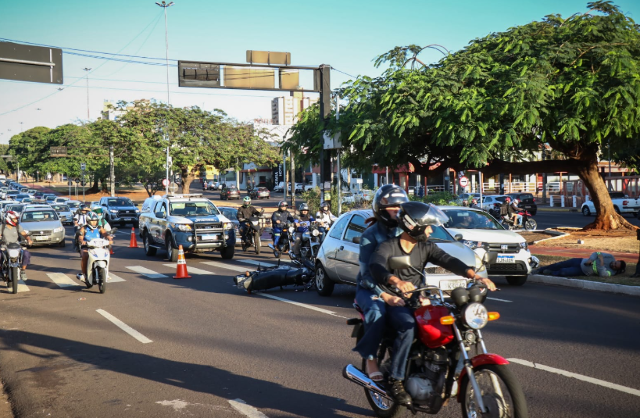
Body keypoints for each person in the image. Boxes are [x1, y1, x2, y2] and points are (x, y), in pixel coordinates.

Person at [369, 202, 496, 404]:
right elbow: (376, 267)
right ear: (414, 226)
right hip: (395, 301)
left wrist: (476, 277)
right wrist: (397, 282)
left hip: (420, 299)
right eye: (427, 226)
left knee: (454, 322)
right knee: (408, 327)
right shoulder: (388, 246)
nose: (431, 230)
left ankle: (443, 373)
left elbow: (448, 259)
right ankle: (396, 379)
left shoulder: (426, 246)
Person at [353, 184, 409, 384]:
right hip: (371, 288)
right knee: (378, 313)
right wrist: (384, 295)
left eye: (401, 206)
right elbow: (366, 274)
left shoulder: (406, 231)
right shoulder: (371, 235)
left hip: (399, 288)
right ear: (380, 208)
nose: (397, 210)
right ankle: (371, 360)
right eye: (393, 206)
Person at [76, 213, 110, 283]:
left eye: (95, 221)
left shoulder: (99, 228)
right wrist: (82, 241)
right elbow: (80, 237)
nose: (94, 222)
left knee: (106, 254)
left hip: (98, 247)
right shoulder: (84, 228)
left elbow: (105, 234)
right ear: (88, 221)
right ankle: (84, 274)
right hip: (87, 247)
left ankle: (106, 273)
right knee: (85, 255)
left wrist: (109, 238)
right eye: (92, 221)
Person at [537, 252, 626, 277]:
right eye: (615, 263)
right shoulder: (610, 257)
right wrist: (591, 259)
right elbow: (597, 253)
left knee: (564, 272)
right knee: (561, 264)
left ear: (616, 269)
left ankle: (550, 272)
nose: (613, 264)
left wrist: (601, 263)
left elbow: (602, 274)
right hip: (581, 261)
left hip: (583, 271)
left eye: (615, 266)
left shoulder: (611, 272)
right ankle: (540, 269)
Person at [1, 211, 33, 281]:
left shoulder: (18, 226)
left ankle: (23, 271)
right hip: (5, 247)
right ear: (9, 219)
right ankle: (1, 270)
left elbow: (24, 234)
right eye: (15, 219)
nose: (16, 220)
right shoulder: (2, 227)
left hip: (16, 247)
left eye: (16, 219)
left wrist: (28, 239)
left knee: (26, 254)